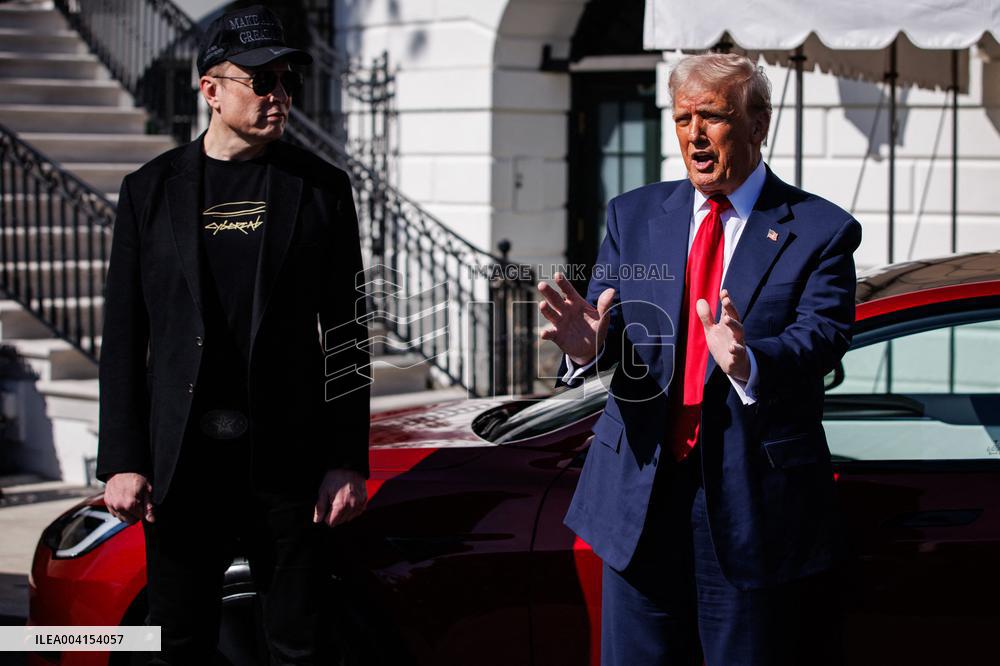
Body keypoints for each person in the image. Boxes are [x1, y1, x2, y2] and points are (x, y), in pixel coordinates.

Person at [538, 52, 860, 665]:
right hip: (639, 493)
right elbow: (606, 320)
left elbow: (824, 333)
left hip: (749, 502)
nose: (694, 135)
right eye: (683, 119)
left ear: (757, 124)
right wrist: (589, 349)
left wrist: (749, 362)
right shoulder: (633, 215)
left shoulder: (820, 229)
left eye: (711, 117)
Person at [95, 5, 371, 664]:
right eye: (261, 80)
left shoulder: (322, 189)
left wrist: (346, 459)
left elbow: (348, 332)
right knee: (178, 640)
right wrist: (123, 457)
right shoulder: (149, 190)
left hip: (288, 465)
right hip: (182, 465)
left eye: (286, 80)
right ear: (211, 90)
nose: (280, 95)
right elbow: (124, 334)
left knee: (298, 645)